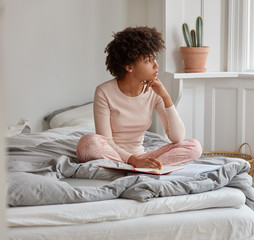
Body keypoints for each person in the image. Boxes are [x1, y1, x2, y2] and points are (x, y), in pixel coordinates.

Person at [76, 26, 202, 169]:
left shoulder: (155, 91)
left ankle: (148, 166)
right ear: (129, 66)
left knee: (194, 146)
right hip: (114, 154)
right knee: (89, 142)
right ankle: (137, 167)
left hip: (143, 157)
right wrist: (132, 160)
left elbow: (177, 138)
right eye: (148, 60)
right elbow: (106, 140)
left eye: (155, 59)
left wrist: (165, 96)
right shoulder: (104, 91)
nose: (156, 65)